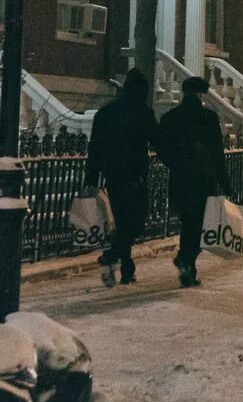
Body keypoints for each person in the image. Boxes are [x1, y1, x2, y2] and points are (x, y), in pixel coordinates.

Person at [83, 69, 160, 286]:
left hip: (113, 176)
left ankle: (127, 269)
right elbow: (156, 139)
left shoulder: (106, 112)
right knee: (135, 224)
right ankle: (110, 257)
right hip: (135, 175)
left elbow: (95, 147)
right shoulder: (143, 112)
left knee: (124, 221)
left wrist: (91, 177)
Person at [157, 76, 231, 287]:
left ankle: (186, 263)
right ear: (200, 94)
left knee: (187, 221)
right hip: (203, 179)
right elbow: (218, 153)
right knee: (198, 225)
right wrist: (224, 183)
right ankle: (186, 261)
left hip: (180, 178)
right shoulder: (208, 117)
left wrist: (175, 163)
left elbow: (162, 150)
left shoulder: (170, 117)